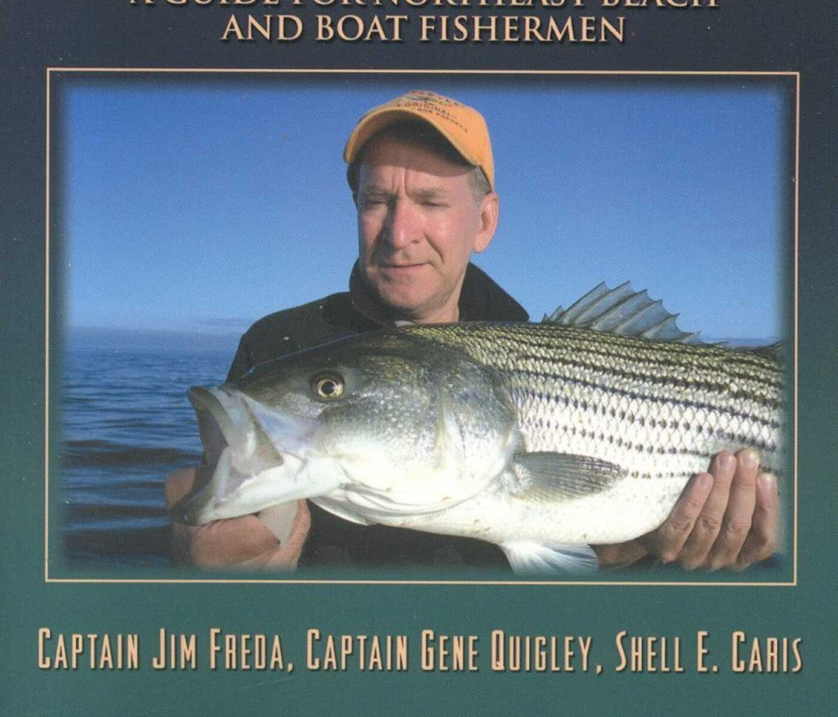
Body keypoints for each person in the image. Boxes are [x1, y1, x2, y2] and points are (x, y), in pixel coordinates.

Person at [167, 90, 779, 573]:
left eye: (431, 202)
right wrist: (221, 563)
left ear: (484, 222)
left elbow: (584, 554)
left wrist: (637, 548)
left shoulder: (527, 344)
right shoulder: (278, 346)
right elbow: (226, 521)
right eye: (376, 201)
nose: (398, 234)